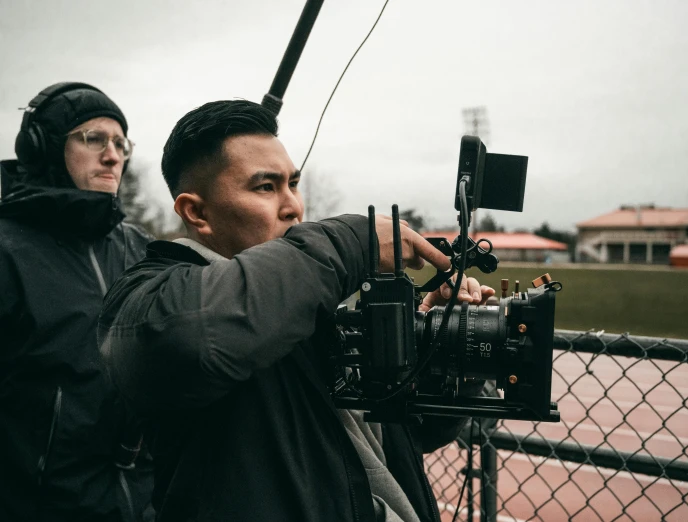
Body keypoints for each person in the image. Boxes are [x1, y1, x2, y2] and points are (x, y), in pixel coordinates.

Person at [98, 99, 494, 522]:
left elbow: (400, 440)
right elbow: (192, 338)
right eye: (265, 187)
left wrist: (443, 359)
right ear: (196, 212)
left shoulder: (301, 301)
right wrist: (351, 242)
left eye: (293, 183)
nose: (293, 207)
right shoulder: (151, 296)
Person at [0, 82, 154, 521]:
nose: (113, 155)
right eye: (93, 139)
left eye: (121, 143)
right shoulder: (6, 252)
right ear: (42, 147)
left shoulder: (141, 250)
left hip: (143, 506)